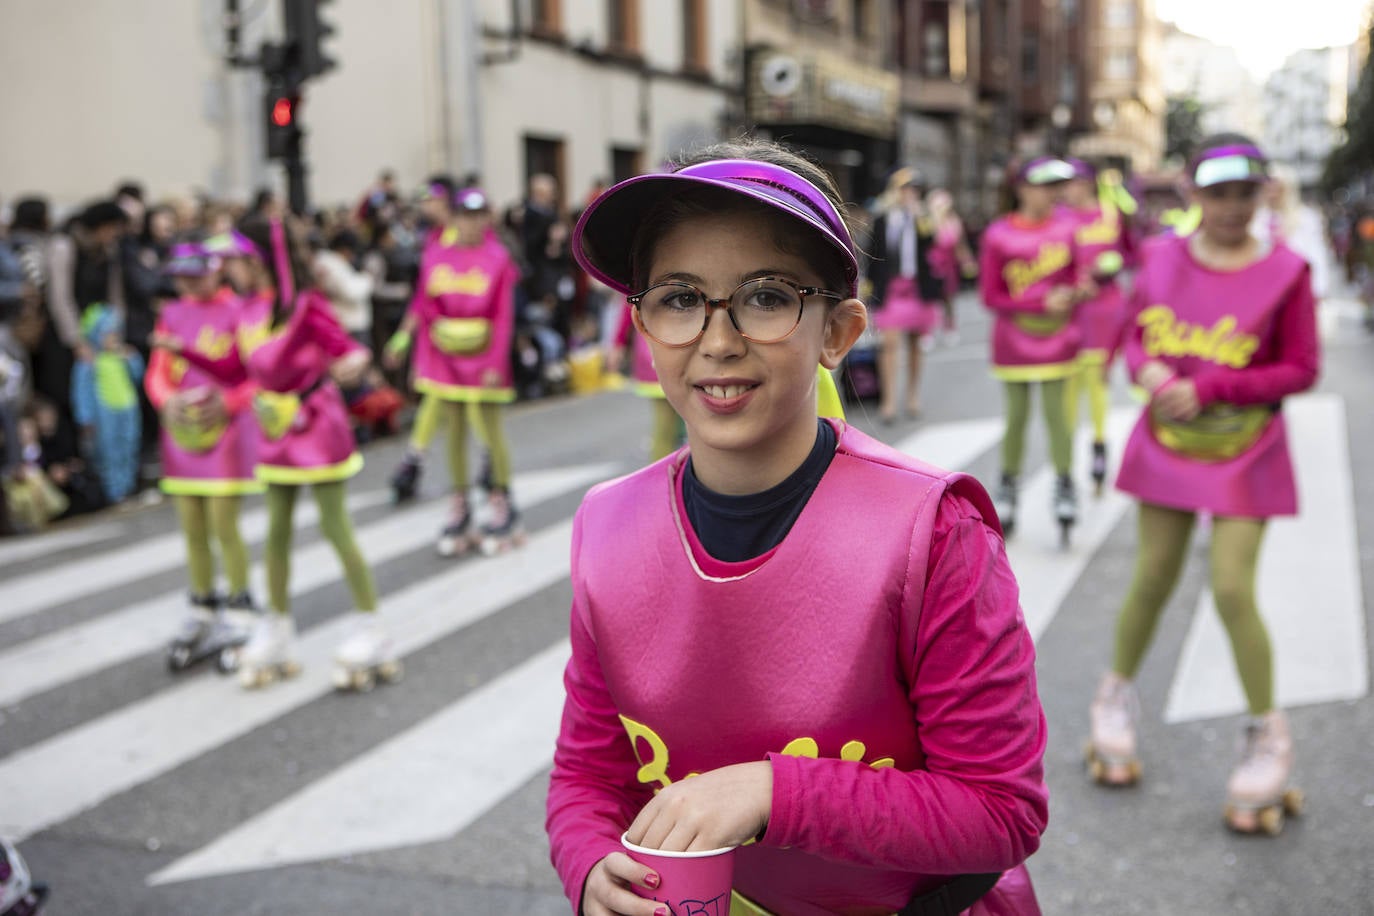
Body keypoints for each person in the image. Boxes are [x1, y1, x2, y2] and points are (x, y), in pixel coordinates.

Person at [549, 138, 1048, 916]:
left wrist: (772, 791)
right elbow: (588, 774)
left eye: (766, 296)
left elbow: (1000, 811)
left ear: (839, 332)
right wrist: (588, 863)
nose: (717, 340)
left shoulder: (934, 531)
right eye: (679, 298)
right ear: (642, 327)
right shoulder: (606, 526)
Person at [1085, 135, 1319, 836]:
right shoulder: (1158, 258)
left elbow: (1301, 367)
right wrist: (1149, 372)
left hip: (1246, 448)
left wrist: (1211, 385)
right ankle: (1113, 702)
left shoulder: (1288, 271)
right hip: (1167, 443)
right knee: (1152, 575)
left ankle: (1267, 734)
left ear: (1262, 194)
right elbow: (1133, 338)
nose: (1230, 207)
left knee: (1232, 587)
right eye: (1217, 193)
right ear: (1195, 195)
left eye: (1243, 193)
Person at [229, 216, 398, 692]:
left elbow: (349, 350)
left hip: (316, 423)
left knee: (333, 525)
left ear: (259, 260)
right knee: (277, 530)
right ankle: (276, 627)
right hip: (273, 426)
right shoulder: (244, 311)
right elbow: (234, 370)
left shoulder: (305, 305)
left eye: (237, 260)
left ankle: (372, 627)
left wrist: (352, 365)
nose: (231, 270)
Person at [385, 182, 523, 558]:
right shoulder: (436, 254)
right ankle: (460, 504)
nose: (471, 223)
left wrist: (496, 362)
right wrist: (412, 351)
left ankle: (502, 501)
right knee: (455, 432)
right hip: (443, 356)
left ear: (487, 218)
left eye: (479, 216)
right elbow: (424, 306)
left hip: (483, 356)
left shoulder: (498, 259)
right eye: (466, 215)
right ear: (456, 216)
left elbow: (503, 316)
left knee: (490, 430)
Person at [147, 242, 263, 672]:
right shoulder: (172, 314)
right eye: (181, 275)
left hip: (227, 437)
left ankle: (240, 606)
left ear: (218, 271)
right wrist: (165, 401)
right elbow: (159, 370)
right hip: (182, 434)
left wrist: (230, 403)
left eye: (197, 273)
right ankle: (201, 605)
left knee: (222, 523)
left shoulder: (239, 311)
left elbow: (255, 374)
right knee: (191, 525)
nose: (189, 282)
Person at [978, 156, 1085, 543]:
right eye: (1045, 185)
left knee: (1060, 417)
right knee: (1017, 418)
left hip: (1061, 337)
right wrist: (1039, 303)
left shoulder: (1068, 229)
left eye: (1057, 186)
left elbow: (1076, 278)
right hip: (1015, 339)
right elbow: (991, 296)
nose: (1053, 193)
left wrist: (1076, 292)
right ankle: (1007, 487)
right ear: (1022, 187)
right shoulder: (998, 235)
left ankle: (1064, 484)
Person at [1059, 159, 1135, 496]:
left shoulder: (1110, 211)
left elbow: (1130, 253)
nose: (1068, 189)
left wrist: (1112, 264)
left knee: (1098, 381)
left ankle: (1099, 447)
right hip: (1070, 312)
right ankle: (1065, 462)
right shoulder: (1059, 218)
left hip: (1105, 310)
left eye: (1075, 182)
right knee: (1070, 384)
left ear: (1088, 183)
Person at [866, 170, 944, 424]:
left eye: (915, 189)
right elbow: (872, 255)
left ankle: (912, 395)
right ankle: (888, 401)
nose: (910, 193)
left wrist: (920, 214)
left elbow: (932, 241)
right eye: (905, 188)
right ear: (894, 190)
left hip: (917, 288)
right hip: (891, 289)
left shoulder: (922, 218)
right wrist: (867, 288)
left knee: (915, 344)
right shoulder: (883, 218)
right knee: (888, 344)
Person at [70, 302, 144, 504]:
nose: (113, 337)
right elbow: (81, 391)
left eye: (116, 333)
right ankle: (114, 492)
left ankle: (128, 488)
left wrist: (132, 358)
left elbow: (138, 377)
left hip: (127, 408)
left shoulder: (122, 356)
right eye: (107, 333)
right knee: (109, 452)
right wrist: (85, 417)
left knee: (129, 446)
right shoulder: (89, 362)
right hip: (105, 413)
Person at [926, 187, 976, 346]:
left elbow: (960, 245)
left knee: (948, 298)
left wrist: (967, 261)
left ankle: (950, 327)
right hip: (932, 264)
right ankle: (927, 330)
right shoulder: (928, 221)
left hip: (948, 265)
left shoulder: (954, 222)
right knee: (931, 298)